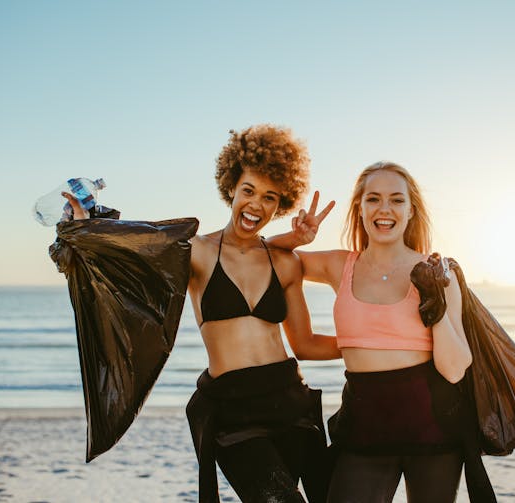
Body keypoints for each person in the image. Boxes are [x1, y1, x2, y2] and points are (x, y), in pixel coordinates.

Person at [65, 124, 340, 503]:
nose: (256, 205)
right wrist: (87, 228)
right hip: (233, 412)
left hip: (290, 401)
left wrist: (369, 344)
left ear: (282, 204)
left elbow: (306, 344)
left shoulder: (285, 262)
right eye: (248, 191)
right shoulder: (197, 251)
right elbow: (132, 253)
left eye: (269, 197)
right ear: (231, 188)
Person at [272, 161, 474, 503]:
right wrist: (294, 238)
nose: (385, 209)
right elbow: (270, 257)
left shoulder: (439, 271)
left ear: (411, 211)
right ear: (359, 209)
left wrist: (434, 302)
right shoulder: (339, 265)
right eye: (373, 199)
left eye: (396, 200)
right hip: (363, 429)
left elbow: (455, 369)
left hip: (434, 430)